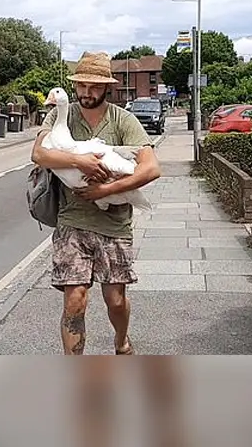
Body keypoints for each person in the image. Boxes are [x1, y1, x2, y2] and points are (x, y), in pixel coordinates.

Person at [30, 51, 161, 355]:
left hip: (114, 224)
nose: (87, 93)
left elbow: (151, 168)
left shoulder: (123, 120)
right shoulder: (60, 115)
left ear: (106, 88)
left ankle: (121, 339)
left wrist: (106, 190)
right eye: (82, 86)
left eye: (95, 87)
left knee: (115, 299)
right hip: (72, 221)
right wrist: (81, 162)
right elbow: (39, 154)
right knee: (75, 299)